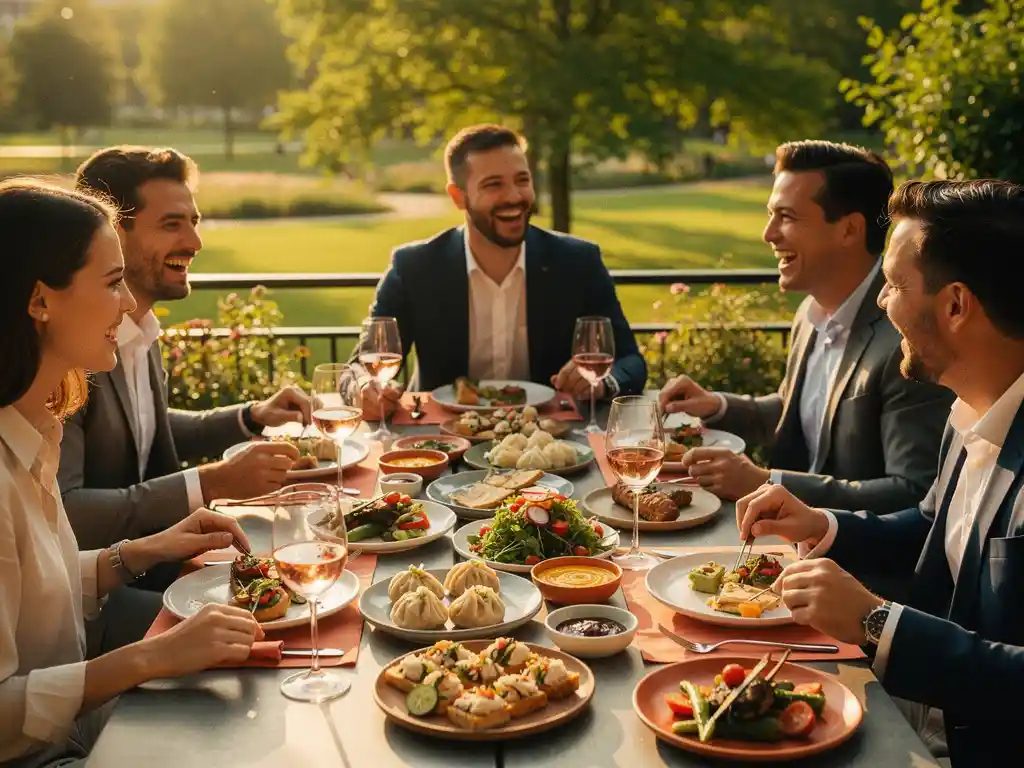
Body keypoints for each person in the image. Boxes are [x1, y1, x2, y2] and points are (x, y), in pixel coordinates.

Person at [736, 179, 1024, 766]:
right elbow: (931, 527)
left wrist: (874, 621)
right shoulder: (968, 406)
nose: (880, 302)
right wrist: (824, 524)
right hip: (908, 716)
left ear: (955, 304)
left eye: (893, 285)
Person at [0, 179, 263, 768]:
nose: (127, 304)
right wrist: (149, 658)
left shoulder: (34, 431)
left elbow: (28, 586)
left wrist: (134, 553)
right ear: (40, 301)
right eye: (113, 283)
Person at [659, 141, 953, 511]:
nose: (768, 234)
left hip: (850, 558)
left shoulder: (907, 338)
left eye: (787, 217)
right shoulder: (811, 312)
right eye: (771, 215)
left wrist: (769, 482)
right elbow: (800, 412)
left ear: (849, 230)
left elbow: (913, 492)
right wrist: (716, 406)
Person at [59, 147, 310, 558]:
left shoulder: (141, 329)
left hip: (163, 556)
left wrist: (250, 417)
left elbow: (145, 429)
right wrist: (209, 483)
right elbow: (67, 511)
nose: (194, 242)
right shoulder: (71, 353)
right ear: (112, 234)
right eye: (171, 224)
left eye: (193, 222)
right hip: (105, 584)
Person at [359, 124, 646, 416]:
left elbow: (630, 361)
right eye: (493, 184)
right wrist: (364, 389)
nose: (514, 196)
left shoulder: (578, 262)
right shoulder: (414, 267)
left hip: (548, 443)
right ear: (458, 196)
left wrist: (603, 383)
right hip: (444, 441)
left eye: (522, 180)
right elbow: (359, 366)